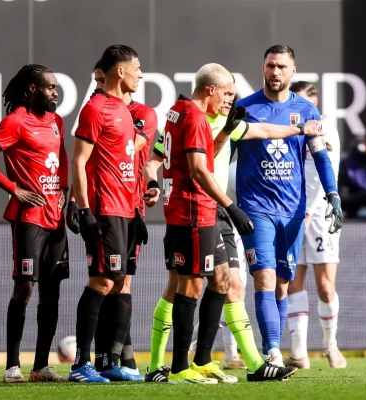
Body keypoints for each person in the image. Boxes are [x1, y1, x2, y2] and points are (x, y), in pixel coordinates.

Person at [144, 70, 319, 382]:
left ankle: (234, 363)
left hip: (211, 210)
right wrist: (231, 206)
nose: (231, 101)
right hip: (195, 209)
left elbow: (261, 131)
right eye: (227, 94)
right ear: (211, 90)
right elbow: (194, 168)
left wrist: (300, 128)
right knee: (183, 287)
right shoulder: (193, 117)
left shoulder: (191, 113)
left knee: (225, 283)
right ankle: (167, 366)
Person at [235, 45, 343, 367]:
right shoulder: (244, 108)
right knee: (264, 278)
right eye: (270, 65)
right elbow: (223, 154)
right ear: (262, 68)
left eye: (281, 66)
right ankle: (272, 353)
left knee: (282, 284)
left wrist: (333, 194)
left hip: (293, 210)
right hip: (256, 206)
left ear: (293, 71)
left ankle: (278, 348)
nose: (275, 72)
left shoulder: (307, 110)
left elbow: (321, 157)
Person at [0, 64, 69, 383]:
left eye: (56, 88)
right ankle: (12, 366)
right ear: (32, 89)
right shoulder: (16, 121)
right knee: (25, 285)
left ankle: (41, 367)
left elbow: (62, 156)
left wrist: (63, 189)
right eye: (50, 87)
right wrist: (14, 189)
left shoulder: (56, 121)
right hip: (29, 218)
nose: (55, 93)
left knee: (52, 291)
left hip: (55, 217)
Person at [67, 61, 156, 381]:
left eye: (100, 79)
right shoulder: (97, 109)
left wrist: (138, 206)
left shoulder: (137, 113)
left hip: (129, 209)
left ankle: (110, 362)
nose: (140, 74)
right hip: (106, 209)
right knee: (103, 281)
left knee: (120, 283)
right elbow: (83, 160)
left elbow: (127, 160)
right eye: (95, 80)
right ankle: (81, 363)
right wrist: (80, 205)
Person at [285, 82, 346, 369]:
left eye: (304, 102)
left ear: (315, 103)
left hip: (321, 215)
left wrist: (309, 211)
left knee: (325, 286)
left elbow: (320, 172)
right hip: (294, 213)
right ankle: (299, 352)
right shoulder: (290, 129)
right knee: (293, 282)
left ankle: (330, 345)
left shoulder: (325, 129)